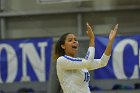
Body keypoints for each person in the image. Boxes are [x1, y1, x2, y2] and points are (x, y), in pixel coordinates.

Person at [54, 22, 118, 93]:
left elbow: (103, 62)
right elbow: (88, 62)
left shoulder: (81, 62)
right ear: (63, 46)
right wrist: (91, 40)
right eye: (70, 40)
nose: (74, 41)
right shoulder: (62, 60)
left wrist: (110, 42)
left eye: (75, 40)